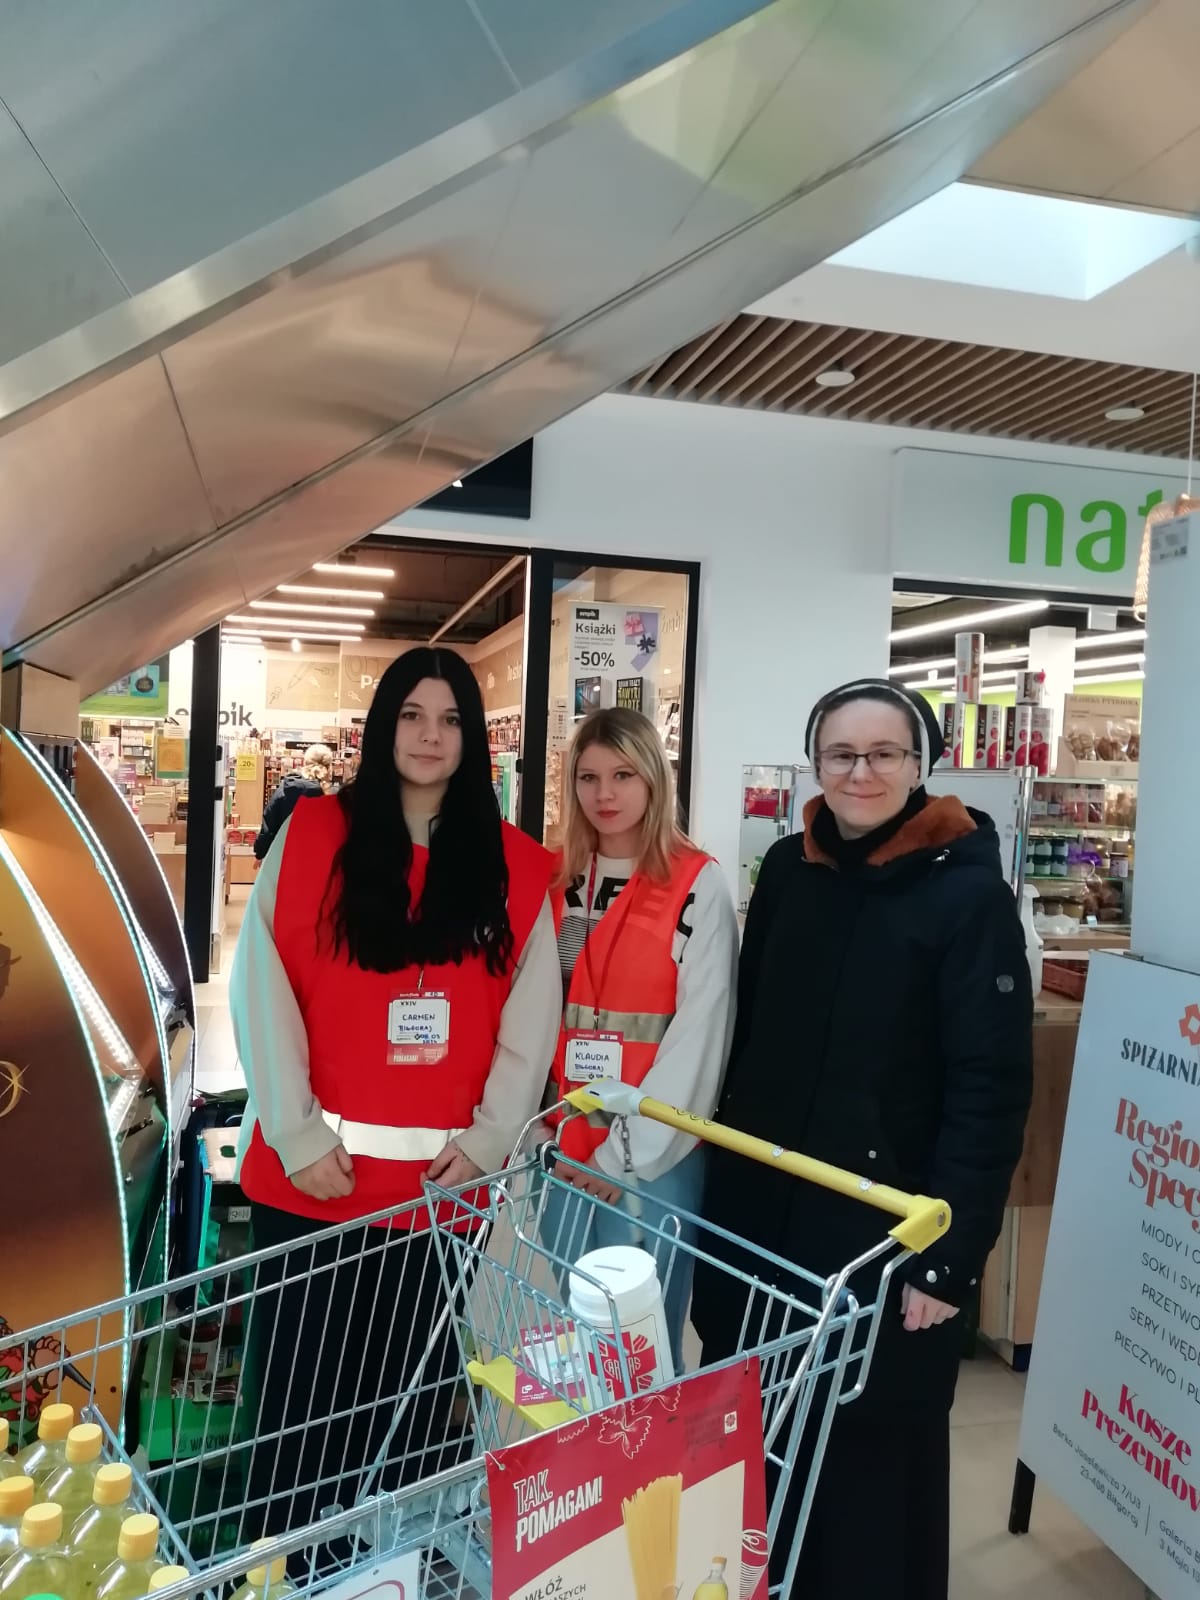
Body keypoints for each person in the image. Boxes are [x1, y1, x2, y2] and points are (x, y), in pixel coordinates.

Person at [691, 679, 1033, 1599]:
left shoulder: (968, 896)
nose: (860, 772)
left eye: (884, 753)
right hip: (763, 1225)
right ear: (815, 764)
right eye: (840, 754)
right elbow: (750, 1036)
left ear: (920, 765)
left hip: (884, 1241)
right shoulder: (788, 870)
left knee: (869, 1470)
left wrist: (949, 1261)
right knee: (758, 1441)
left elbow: (990, 1089)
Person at [229, 646, 560, 1534]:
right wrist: (297, 1133)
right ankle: (291, 1570)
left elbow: (530, 1025)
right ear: (383, 726)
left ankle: (385, 1572)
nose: (430, 735)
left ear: (473, 739)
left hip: (439, 1197)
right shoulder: (312, 837)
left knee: (400, 1411)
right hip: (310, 1186)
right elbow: (262, 986)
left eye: (450, 719)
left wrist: (490, 1142)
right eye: (412, 714)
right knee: (299, 1410)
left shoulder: (517, 869)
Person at [541, 707, 738, 1369]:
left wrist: (622, 1155)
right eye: (589, 777)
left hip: (654, 1156)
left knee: (644, 1345)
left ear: (655, 778)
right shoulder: (558, 881)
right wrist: (538, 1131)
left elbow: (700, 1037)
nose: (604, 794)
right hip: (564, 1145)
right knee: (581, 1337)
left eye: (623, 775)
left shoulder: (696, 883)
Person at [253, 744, 333, 859]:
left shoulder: (286, 787)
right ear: (328, 767)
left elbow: (269, 824)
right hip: (317, 859)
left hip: (284, 857)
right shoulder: (327, 795)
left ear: (305, 763)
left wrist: (260, 853)